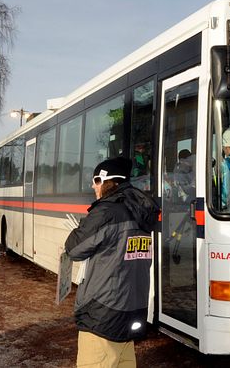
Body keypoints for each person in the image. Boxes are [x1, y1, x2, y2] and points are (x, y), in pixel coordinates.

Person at [64, 157, 159, 368]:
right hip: (133, 311)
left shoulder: (106, 212)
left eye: (96, 180)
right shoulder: (140, 211)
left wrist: (81, 227)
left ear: (109, 182)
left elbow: (74, 248)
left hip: (103, 316)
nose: (92, 185)